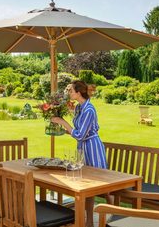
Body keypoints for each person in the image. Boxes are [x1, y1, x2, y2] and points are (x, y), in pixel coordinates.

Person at [51, 80, 107, 227]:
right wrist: (69, 117)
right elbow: (78, 129)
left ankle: (110, 214)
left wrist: (62, 122)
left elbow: (81, 134)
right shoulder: (79, 108)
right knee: (86, 186)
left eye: (71, 91)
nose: (69, 93)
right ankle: (88, 222)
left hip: (92, 149)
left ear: (78, 93)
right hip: (83, 147)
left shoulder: (89, 109)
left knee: (96, 185)